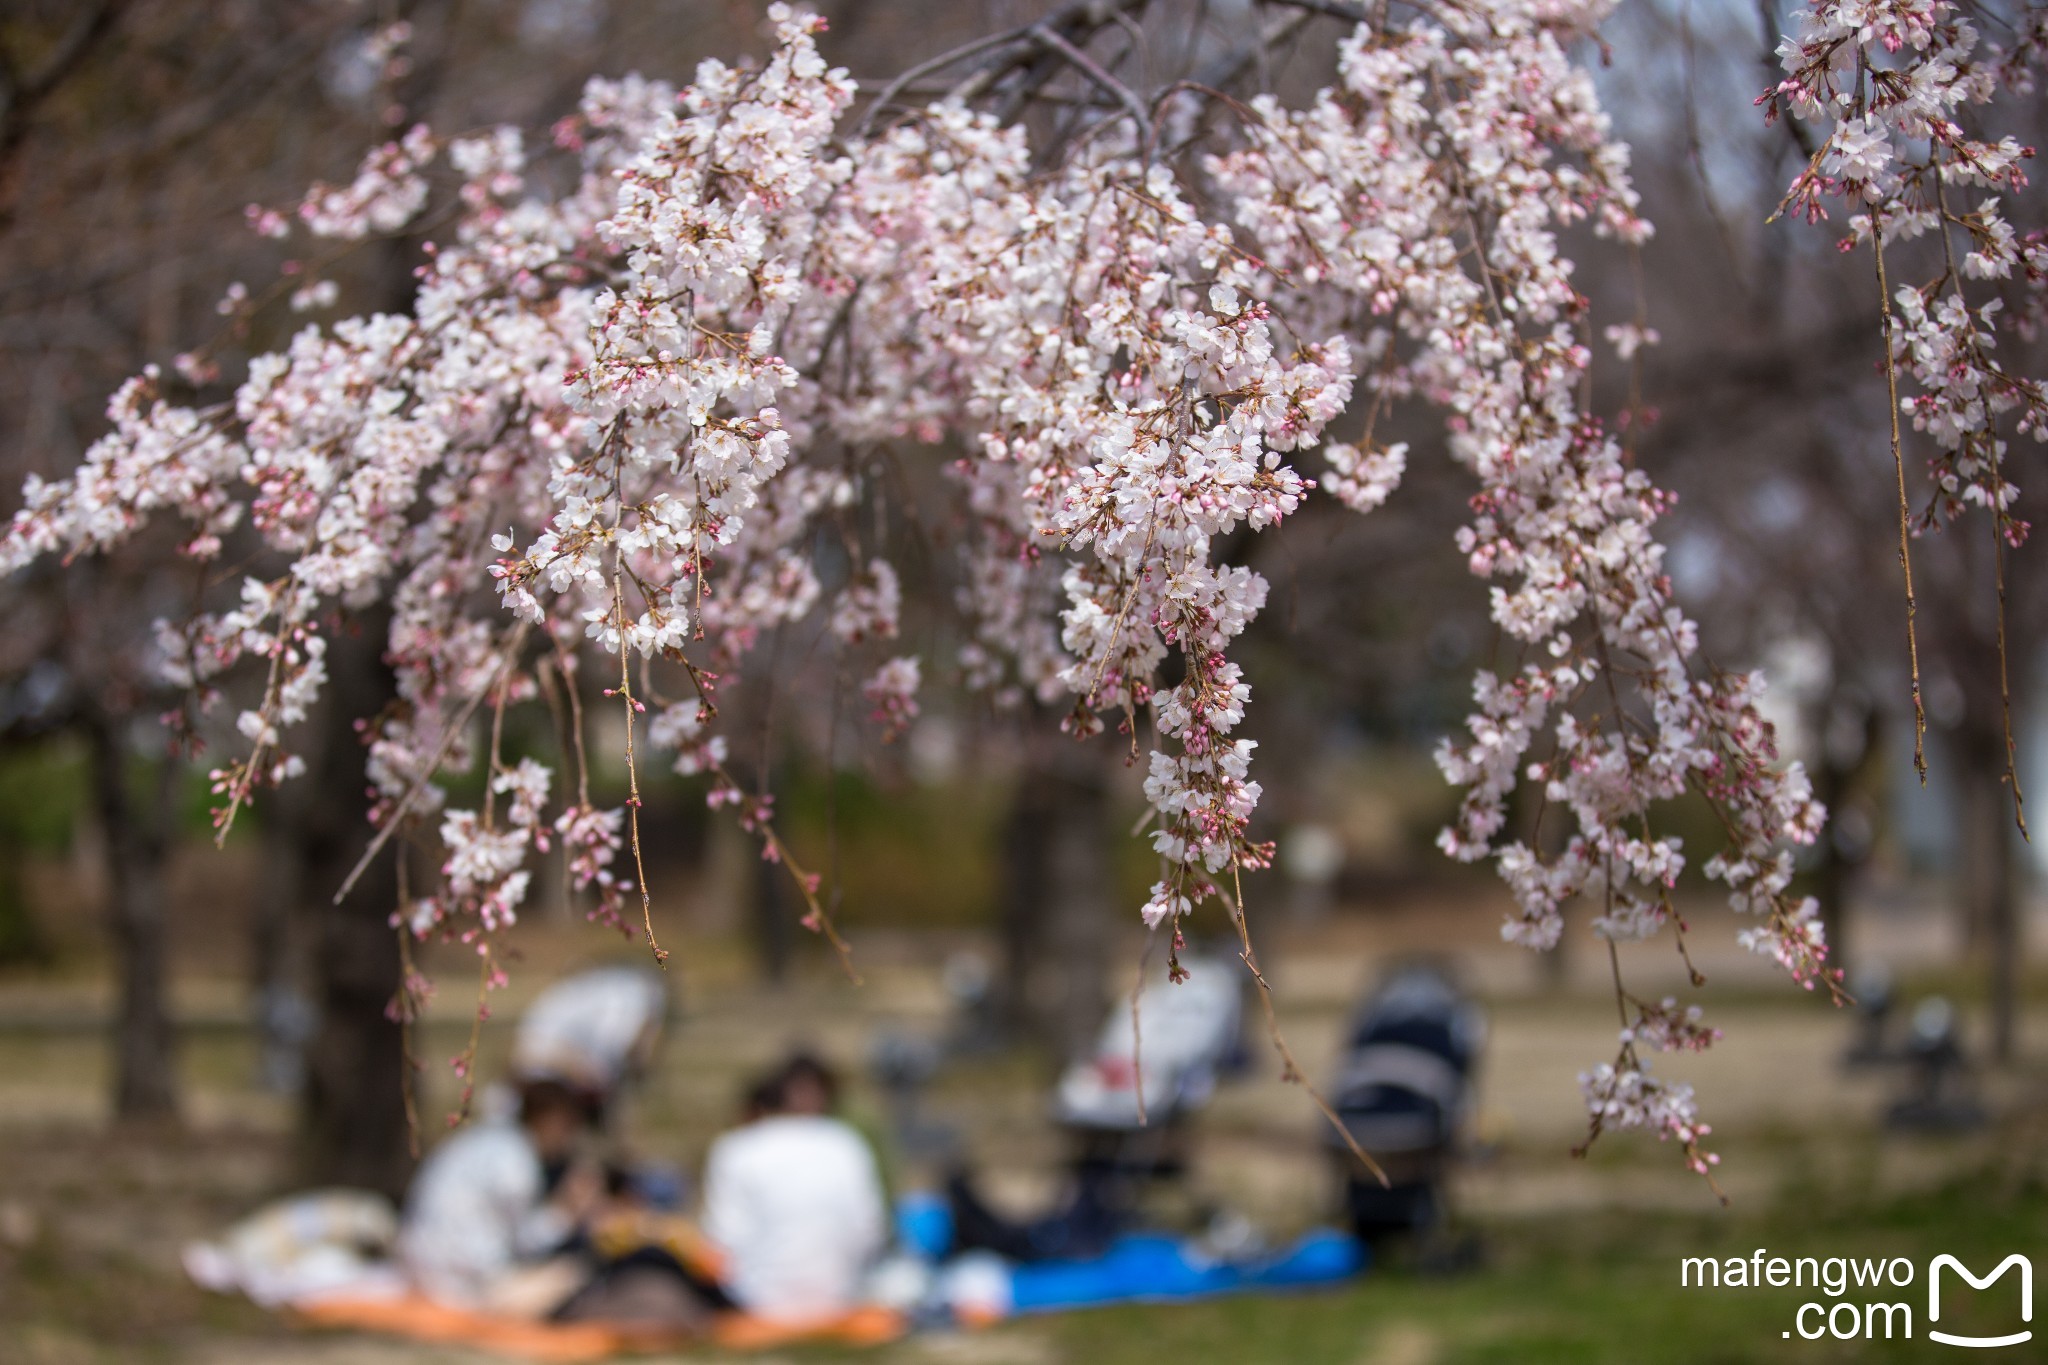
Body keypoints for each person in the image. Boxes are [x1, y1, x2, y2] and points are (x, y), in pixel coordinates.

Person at [699, 1053, 888, 1321]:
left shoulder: (736, 1147)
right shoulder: (847, 1143)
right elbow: (871, 1230)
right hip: (841, 1297)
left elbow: (722, 1241)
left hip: (757, 1302)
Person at [397, 1078, 606, 1315]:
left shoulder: (488, 1140)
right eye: (569, 1128)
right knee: (574, 1275)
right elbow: (522, 1245)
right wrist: (567, 1211)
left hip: (419, 1267)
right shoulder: (517, 1164)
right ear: (552, 1121)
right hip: (460, 1284)